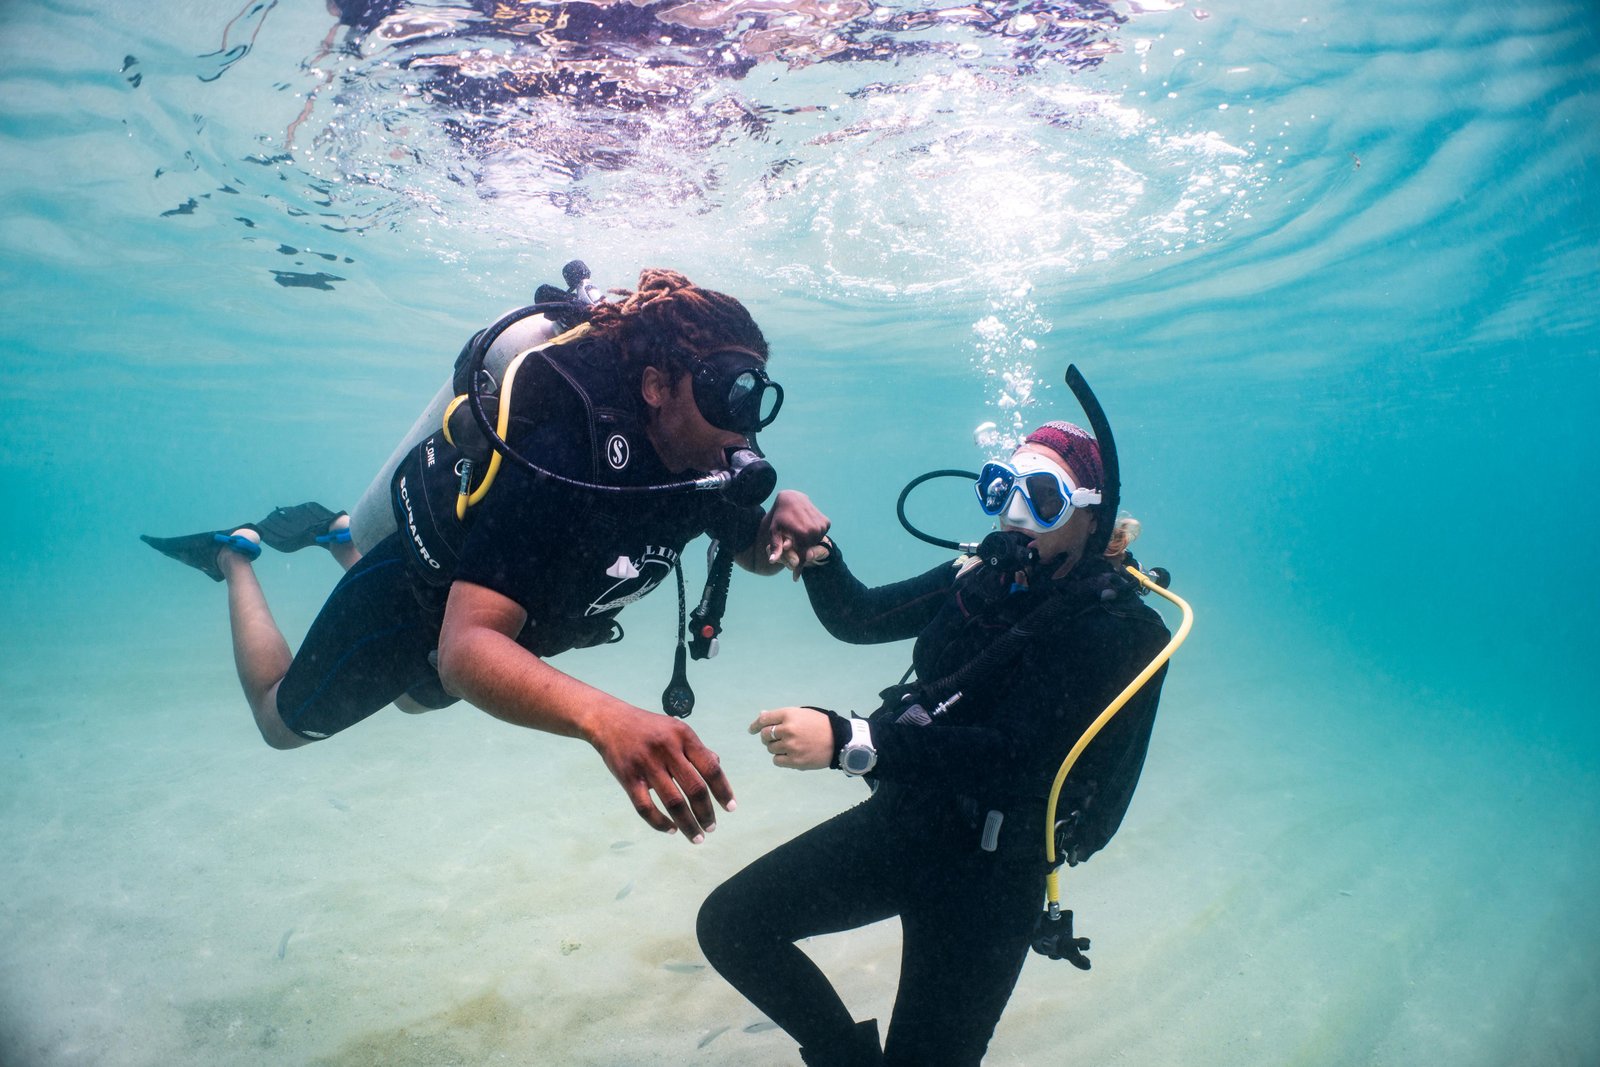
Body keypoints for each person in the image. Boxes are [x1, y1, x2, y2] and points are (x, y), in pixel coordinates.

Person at [142, 268, 829, 843]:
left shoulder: (708, 463)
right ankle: (233, 555)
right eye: (724, 391)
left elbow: (756, 554)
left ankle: (343, 535)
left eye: (754, 396)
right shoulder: (566, 456)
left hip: (505, 624)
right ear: (655, 387)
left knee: (419, 701)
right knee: (281, 723)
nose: (742, 424)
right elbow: (468, 647)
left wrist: (783, 521)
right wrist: (605, 718)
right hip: (423, 600)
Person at [696, 408, 1174, 1065]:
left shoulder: (1119, 628)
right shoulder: (983, 576)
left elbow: (1014, 758)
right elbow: (862, 615)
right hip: (905, 823)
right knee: (734, 925)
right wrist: (818, 556)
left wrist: (847, 740)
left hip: (990, 875)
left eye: (1041, 498)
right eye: (1002, 488)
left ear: (1093, 515)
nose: (1013, 513)